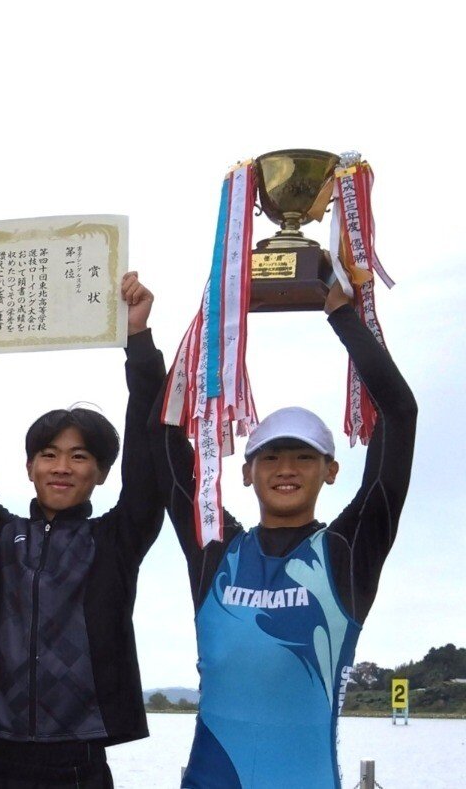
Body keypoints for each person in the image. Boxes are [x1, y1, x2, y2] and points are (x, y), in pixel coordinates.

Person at [166, 284, 416, 788]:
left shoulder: (348, 553)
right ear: (245, 472)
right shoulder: (215, 548)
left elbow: (399, 414)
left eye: (304, 456)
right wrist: (208, 327)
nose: (286, 469)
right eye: (271, 457)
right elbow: (165, 437)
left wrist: (344, 316)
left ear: (330, 470)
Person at [0, 271, 167, 786]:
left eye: (80, 457)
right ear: (29, 467)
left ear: (100, 472)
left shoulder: (115, 541)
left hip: (79, 759)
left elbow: (149, 454)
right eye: (48, 455)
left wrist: (139, 342)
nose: (62, 467)